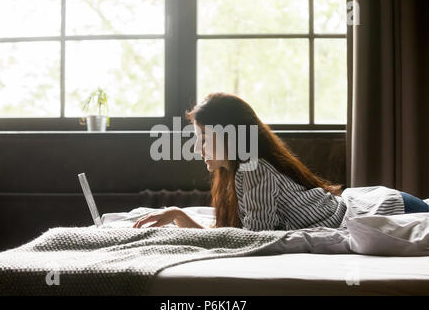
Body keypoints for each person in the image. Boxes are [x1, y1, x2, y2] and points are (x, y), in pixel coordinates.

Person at [133, 93, 429, 230]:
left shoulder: (254, 169)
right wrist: (178, 215)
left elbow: (253, 239)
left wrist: (179, 218)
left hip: (383, 207)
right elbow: (237, 233)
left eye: (204, 138)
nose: (199, 148)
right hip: (361, 202)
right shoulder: (235, 173)